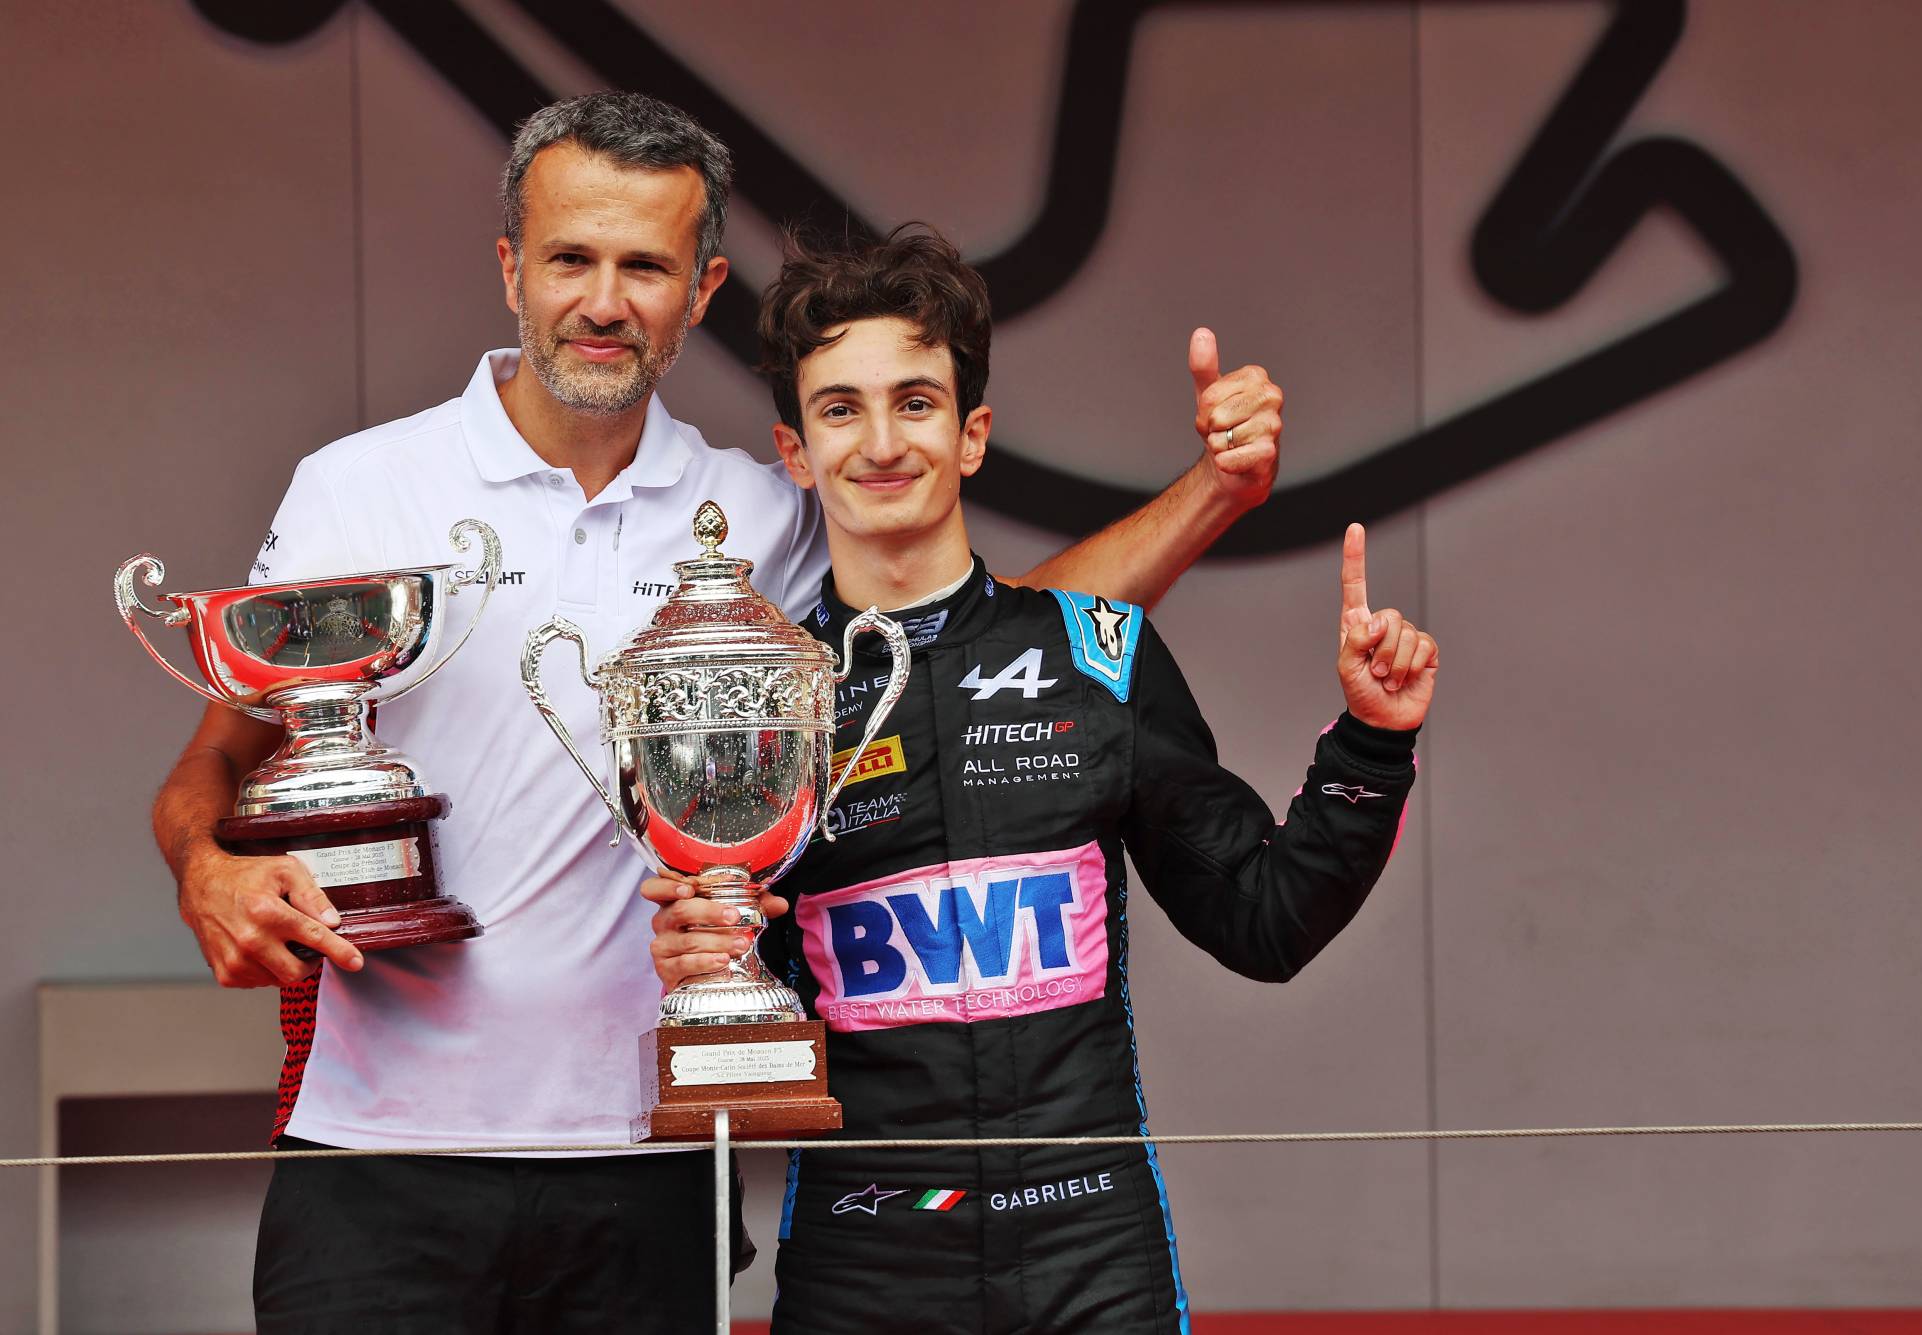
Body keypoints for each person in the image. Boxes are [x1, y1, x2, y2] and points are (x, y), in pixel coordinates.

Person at [150, 95, 1282, 1334]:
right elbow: (223, 750)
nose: (603, 299)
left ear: (701, 289)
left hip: (653, 1154)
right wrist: (204, 865)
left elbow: (982, 637)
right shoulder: (361, 487)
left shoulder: (760, 513)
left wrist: (1211, 496)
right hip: (378, 1155)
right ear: (510, 268)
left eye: (645, 266)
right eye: (571, 258)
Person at [644, 225, 1437, 1332]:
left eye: (915, 403)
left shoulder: (1096, 651)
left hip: (1089, 1245)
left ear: (971, 435)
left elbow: (1264, 921)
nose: (880, 442)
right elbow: (749, 996)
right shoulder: (759, 712)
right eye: (840, 409)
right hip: (864, 1250)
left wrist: (1369, 740)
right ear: (792, 449)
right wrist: (704, 958)